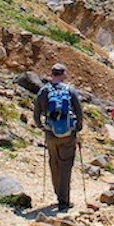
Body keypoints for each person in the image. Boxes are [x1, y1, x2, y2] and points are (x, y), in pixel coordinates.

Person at [32, 63, 83, 211]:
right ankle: (64, 200)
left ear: (52, 74)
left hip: (50, 133)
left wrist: (42, 127)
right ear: (63, 74)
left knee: (54, 163)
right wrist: (77, 127)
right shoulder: (70, 90)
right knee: (66, 165)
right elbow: (79, 111)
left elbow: (36, 114)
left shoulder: (44, 91)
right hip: (68, 134)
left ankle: (57, 193)